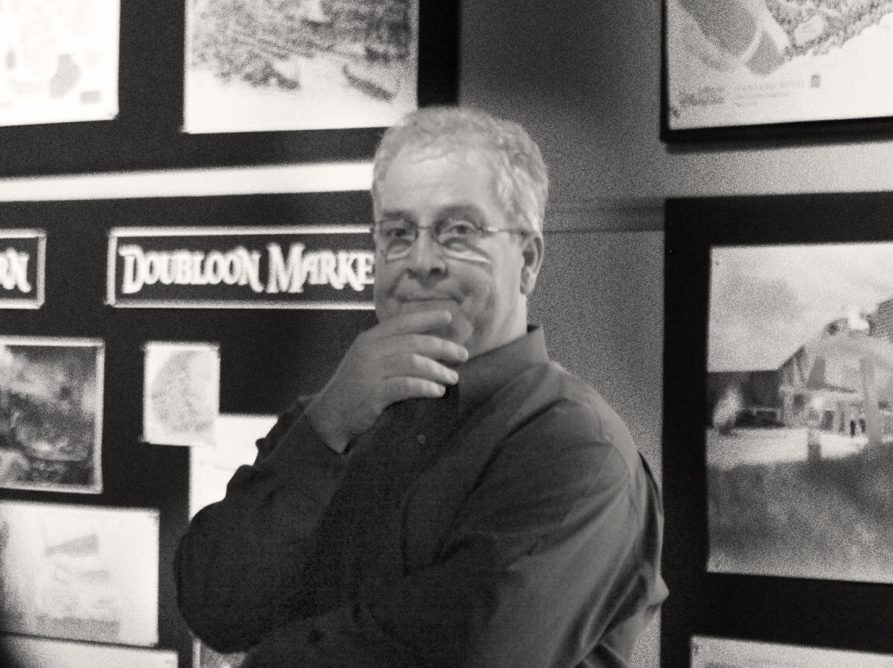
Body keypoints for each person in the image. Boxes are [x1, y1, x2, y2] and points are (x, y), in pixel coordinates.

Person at [174, 106, 667, 667]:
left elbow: (462, 654)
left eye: (459, 232)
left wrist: (260, 659)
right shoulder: (334, 419)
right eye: (398, 233)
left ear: (528, 260)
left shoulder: (579, 447)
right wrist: (326, 425)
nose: (422, 261)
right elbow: (213, 604)